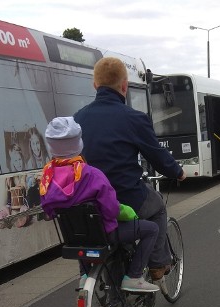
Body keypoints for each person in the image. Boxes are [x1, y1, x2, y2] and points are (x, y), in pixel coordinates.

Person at [73, 57, 185, 285]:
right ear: (124, 86)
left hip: (88, 205)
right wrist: (177, 172)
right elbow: (157, 155)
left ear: (95, 86)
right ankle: (157, 264)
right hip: (126, 198)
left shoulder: (77, 119)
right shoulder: (134, 118)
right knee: (158, 209)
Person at [40, 116, 160, 293]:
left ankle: (85, 275)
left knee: (78, 230)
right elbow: (111, 209)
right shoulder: (91, 174)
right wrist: (126, 212)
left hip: (74, 238)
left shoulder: (48, 178)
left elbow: (49, 211)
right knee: (151, 229)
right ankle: (134, 277)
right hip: (106, 234)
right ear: (78, 143)